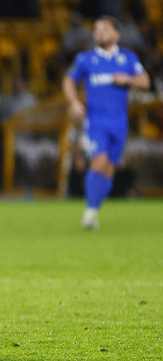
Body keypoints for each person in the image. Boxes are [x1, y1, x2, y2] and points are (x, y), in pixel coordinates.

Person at [63, 15, 150, 230]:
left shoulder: (127, 59)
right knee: (99, 163)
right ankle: (89, 212)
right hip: (95, 121)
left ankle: (94, 211)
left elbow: (146, 82)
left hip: (119, 122)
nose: (98, 33)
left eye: (103, 29)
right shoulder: (85, 59)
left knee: (110, 170)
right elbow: (68, 81)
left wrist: (127, 79)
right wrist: (74, 102)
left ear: (116, 35)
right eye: (96, 30)